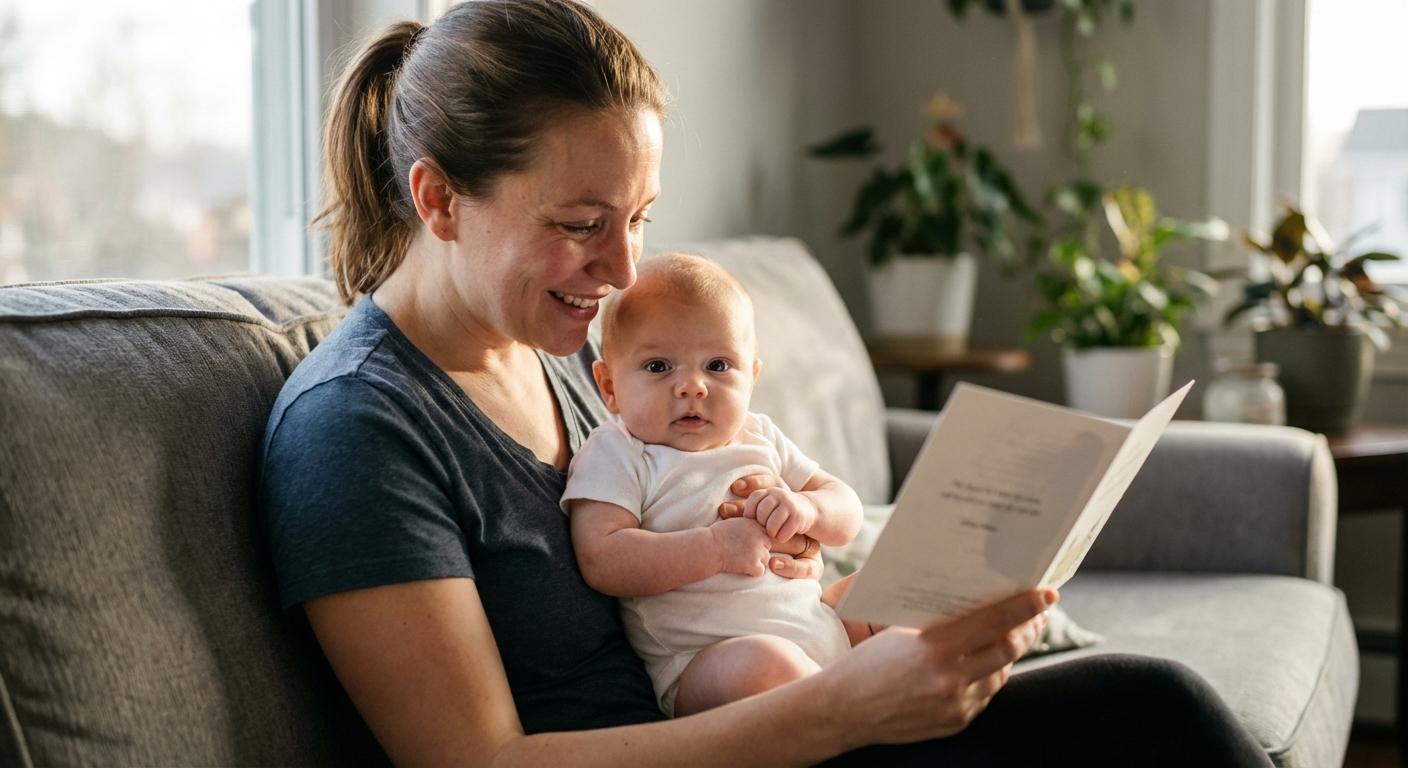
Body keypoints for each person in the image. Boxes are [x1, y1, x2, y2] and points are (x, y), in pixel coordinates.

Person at [258, 1, 1274, 765]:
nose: (621, 272)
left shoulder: (563, 353)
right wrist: (839, 706)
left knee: (1150, 706)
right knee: (1149, 719)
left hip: (798, 718)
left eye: (638, 217)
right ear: (438, 197)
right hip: (774, 737)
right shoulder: (355, 429)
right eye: (578, 224)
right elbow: (472, 764)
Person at [563, 252, 862, 717]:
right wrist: (715, 550)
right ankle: (855, 715)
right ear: (609, 387)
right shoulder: (617, 452)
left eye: (718, 366)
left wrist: (809, 510)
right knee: (765, 665)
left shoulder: (760, 435)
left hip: (820, 624)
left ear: (752, 378)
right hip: (709, 663)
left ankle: (886, 695)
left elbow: (847, 515)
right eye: (659, 367)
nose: (693, 387)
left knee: (896, 598)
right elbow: (602, 559)